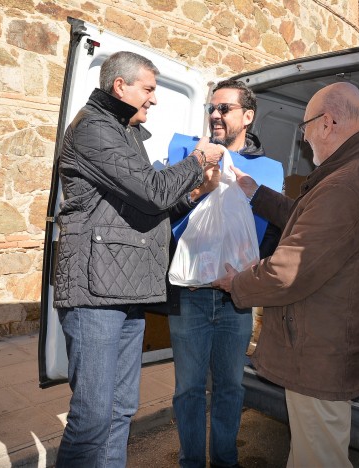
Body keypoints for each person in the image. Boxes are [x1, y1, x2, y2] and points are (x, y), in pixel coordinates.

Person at [213, 82, 359, 467]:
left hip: (321, 351)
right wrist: (256, 192)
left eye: (306, 126)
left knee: (320, 458)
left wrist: (238, 282)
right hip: (334, 346)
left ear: (327, 123)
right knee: (312, 453)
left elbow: (289, 271)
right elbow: (311, 221)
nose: (304, 135)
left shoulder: (345, 183)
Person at [52, 50, 223, 467]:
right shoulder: (95, 129)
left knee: (120, 409)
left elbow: (150, 209)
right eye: (148, 89)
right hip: (94, 292)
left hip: (124, 289)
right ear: (120, 87)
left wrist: (195, 193)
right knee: (92, 416)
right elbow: (153, 191)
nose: (155, 99)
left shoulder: (123, 132)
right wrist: (198, 159)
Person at [168, 79, 280, 468]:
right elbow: (166, 218)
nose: (215, 115)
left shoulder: (267, 170)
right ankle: (191, 462)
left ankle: (226, 460)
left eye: (225, 109)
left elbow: (275, 231)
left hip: (238, 298)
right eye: (211, 108)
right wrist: (199, 187)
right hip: (192, 295)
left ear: (247, 116)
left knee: (231, 386)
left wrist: (255, 273)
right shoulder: (189, 155)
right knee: (188, 389)